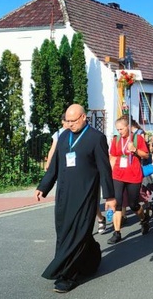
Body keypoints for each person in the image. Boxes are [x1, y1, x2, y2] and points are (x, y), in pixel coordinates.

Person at [35, 104, 116, 294]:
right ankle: (92, 259)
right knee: (64, 233)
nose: (69, 124)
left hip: (86, 195)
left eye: (73, 121)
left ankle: (67, 276)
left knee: (77, 233)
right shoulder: (64, 137)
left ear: (83, 118)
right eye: (67, 121)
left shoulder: (96, 138)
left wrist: (110, 196)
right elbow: (54, 166)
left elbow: (105, 170)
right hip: (64, 195)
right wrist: (43, 187)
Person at [107, 116, 151, 244]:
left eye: (121, 129)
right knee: (118, 203)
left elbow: (146, 155)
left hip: (133, 175)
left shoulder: (138, 139)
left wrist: (135, 150)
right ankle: (117, 233)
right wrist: (110, 173)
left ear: (128, 127)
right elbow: (113, 157)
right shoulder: (116, 140)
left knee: (133, 205)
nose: (119, 131)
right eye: (117, 129)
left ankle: (144, 219)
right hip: (118, 175)